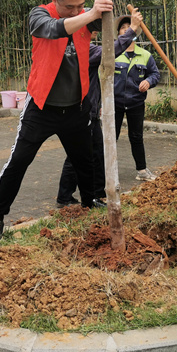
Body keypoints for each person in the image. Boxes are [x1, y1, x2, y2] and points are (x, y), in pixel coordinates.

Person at [0, 0, 114, 241]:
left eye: (81, 5)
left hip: (76, 109)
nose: (76, 11)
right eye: (70, 6)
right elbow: (53, 29)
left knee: (85, 161)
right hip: (42, 108)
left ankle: (89, 203)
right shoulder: (40, 14)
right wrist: (89, 12)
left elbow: (106, 21)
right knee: (19, 161)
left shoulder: (85, 15)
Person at [56, 11, 143, 206]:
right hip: (81, 111)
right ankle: (66, 197)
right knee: (78, 155)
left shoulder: (82, 47)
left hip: (89, 110)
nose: (95, 30)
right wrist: (133, 30)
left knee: (95, 153)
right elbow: (110, 51)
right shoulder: (82, 50)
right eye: (92, 26)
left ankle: (93, 195)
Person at [114, 15, 161, 181]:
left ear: (135, 33)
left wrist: (148, 81)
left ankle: (142, 171)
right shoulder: (112, 54)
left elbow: (155, 74)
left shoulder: (145, 55)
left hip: (136, 103)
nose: (126, 29)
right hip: (115, 104)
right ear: (119, 33)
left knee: (136, 137)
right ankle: (105, 171)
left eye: (130, 27)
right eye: (123, 27)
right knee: (111, 138)